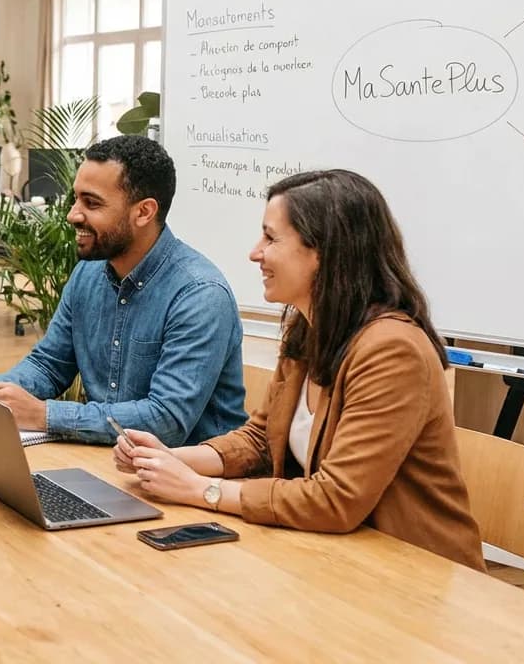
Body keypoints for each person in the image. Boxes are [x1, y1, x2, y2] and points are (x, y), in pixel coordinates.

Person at [117, 169, 484, 570]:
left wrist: (203, 491)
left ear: (324, 252)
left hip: (414, 573)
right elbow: (261, 440)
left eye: (271, 238)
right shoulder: (309, 327)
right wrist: (170, 460)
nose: (255, 253)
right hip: (339, 558)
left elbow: (337, 500)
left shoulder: (393, 350)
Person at [0, 135, 246, 446]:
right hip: (109, 462)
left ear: (143, 212)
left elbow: (166, 420)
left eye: (92, 203)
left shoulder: (200, 295)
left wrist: (43, 415)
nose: (72, 214)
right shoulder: (87, 273)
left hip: (189, 478)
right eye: (75, 199)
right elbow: (49, 364)